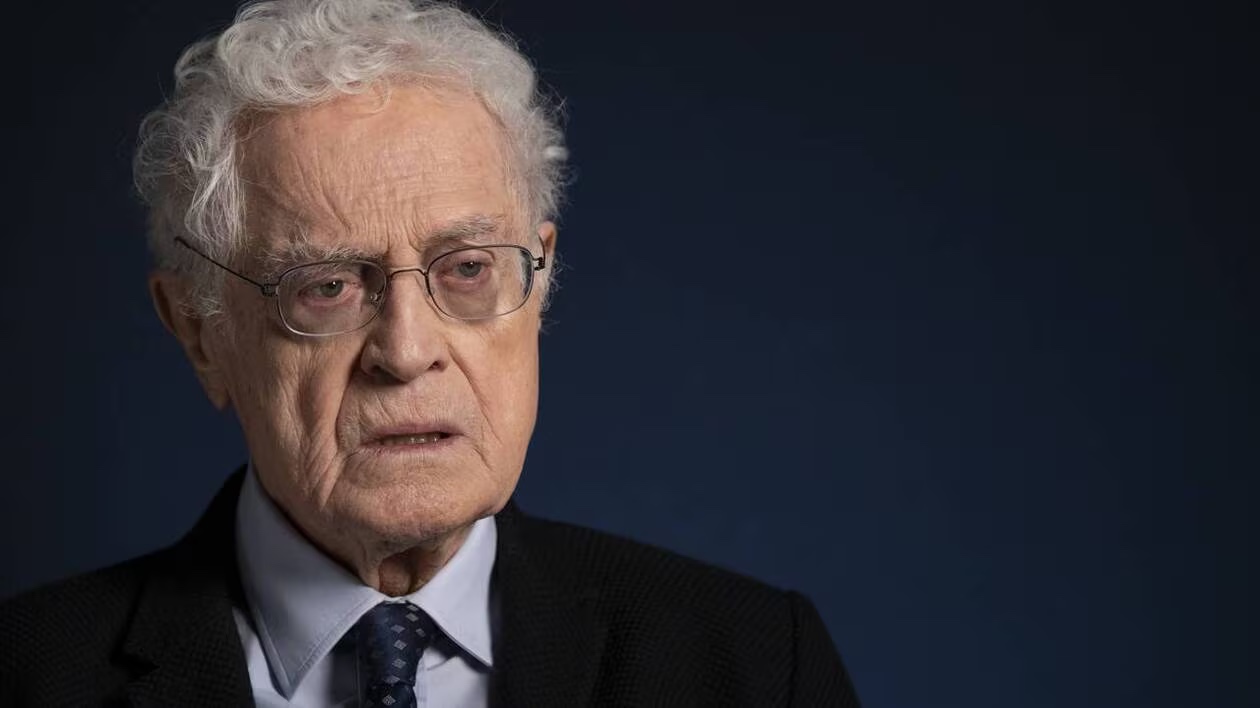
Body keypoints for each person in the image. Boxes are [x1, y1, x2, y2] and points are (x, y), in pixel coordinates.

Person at [0, 0, 860, 705]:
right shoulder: (27, 676)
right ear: (199, 331)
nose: (407, 352)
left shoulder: (754, 667)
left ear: (539, 279)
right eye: (327, 286)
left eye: (468, 269)